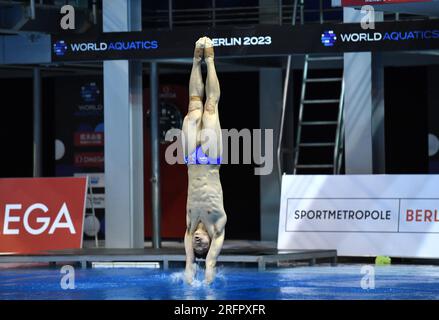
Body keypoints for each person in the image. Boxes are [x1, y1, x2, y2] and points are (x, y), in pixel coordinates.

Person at [182, 36, 227, 285]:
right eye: (203, 246)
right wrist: (207, 264)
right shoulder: (217, 223)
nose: (198, 244)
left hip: (191, 159)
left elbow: (189, 263)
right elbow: (208, 264)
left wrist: (191, 264)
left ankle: (194, 60)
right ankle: (209, 60)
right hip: (210, 160)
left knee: (193, 107)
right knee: (210, 108)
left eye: (195, 247)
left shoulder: (190, 225)